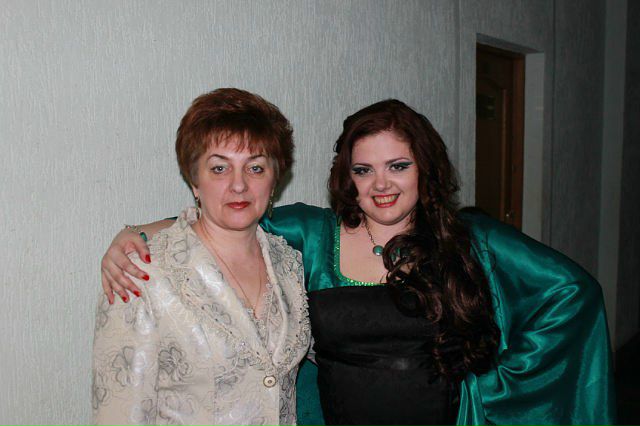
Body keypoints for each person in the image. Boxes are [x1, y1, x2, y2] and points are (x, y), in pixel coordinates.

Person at [99, 99, 615, 426]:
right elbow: (232, 214)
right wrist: (136, 233)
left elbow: (573, 292)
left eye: (398, 165)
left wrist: (492, 387)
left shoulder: (469, 240)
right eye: (364, 169)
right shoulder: (310, 233)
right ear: (348, 177)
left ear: (425, 168)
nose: (381, 184)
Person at [92, 88, 311, 426]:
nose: (239, 185)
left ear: (275, 179)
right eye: (219, 168)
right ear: (194, 180)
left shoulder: (288, 262)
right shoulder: (142, 272)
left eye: (255, 168)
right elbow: (120, 414)